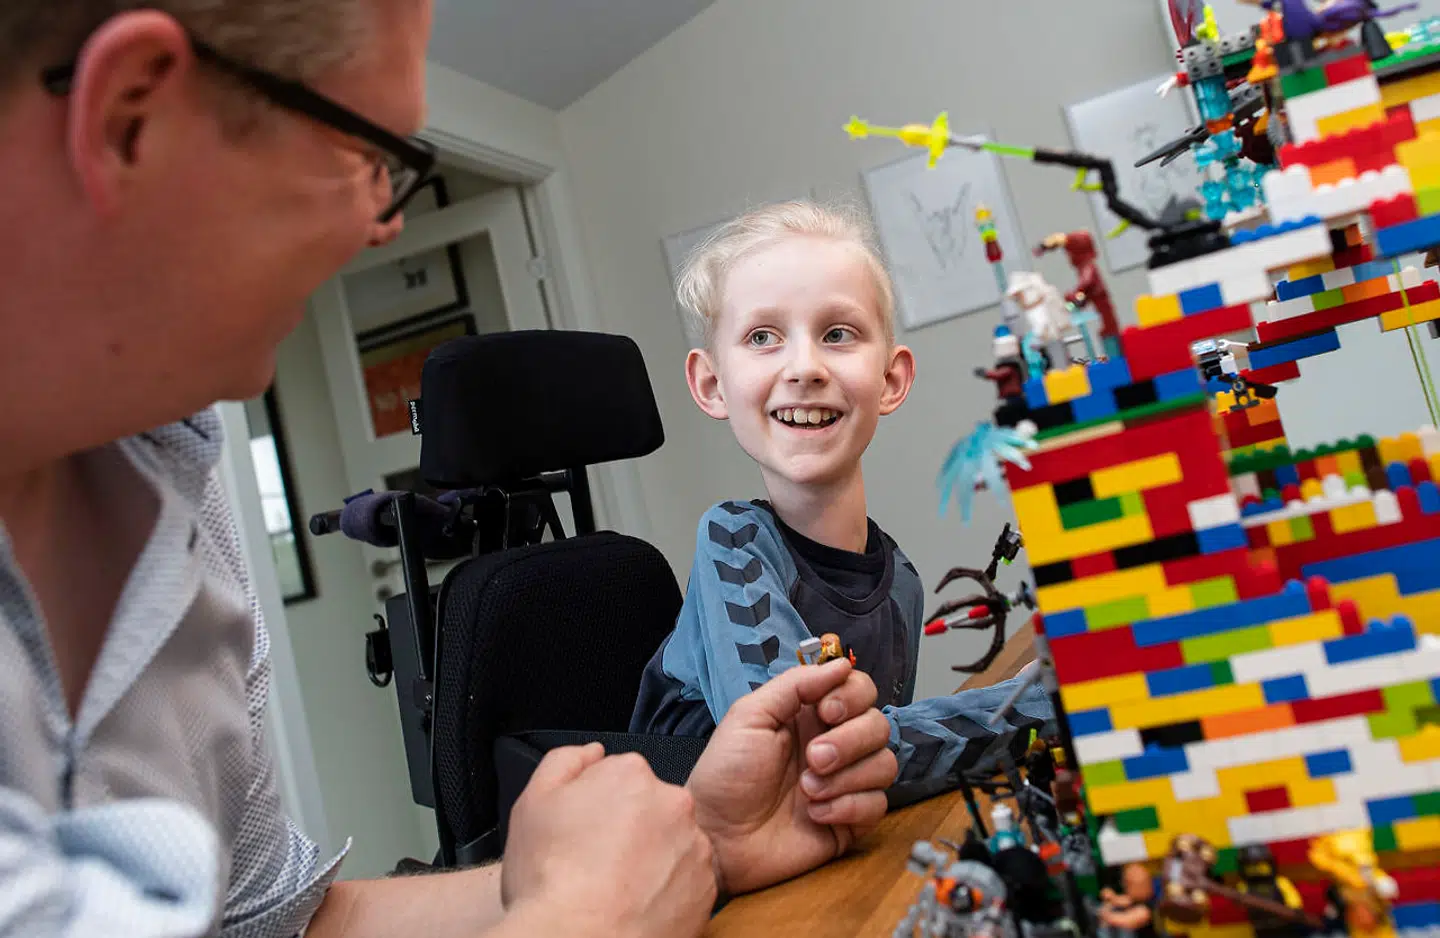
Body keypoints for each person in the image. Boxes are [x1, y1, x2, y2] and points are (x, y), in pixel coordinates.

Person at [0, 3, 900, 936]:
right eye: (365, 154)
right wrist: (580, 924)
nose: (381, 222)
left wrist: (702, 841)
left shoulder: (171, 482)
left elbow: (273, 923)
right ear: (131, 121)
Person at [630, 201, 1055, 782]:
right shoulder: (732, 541)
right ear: (712, 385)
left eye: (837, 333)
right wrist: (1044, 705)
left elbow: (870, 745)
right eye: (762, 336)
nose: (804, 367)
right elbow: (811, 754)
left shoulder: (900, 581)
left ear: (891, 378)